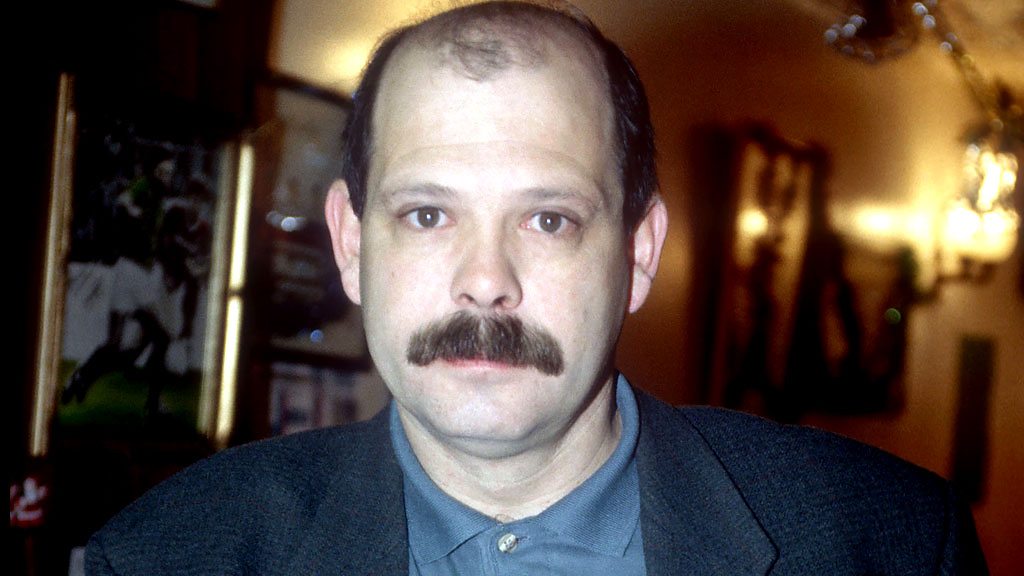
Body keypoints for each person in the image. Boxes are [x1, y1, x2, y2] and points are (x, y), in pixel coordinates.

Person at [86, 2, 987, 574]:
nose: (486, 283)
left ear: (638, 253)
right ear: (352, 245)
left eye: (549, 219)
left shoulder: (891, 542)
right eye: (428, 214)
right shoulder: (164, 556)